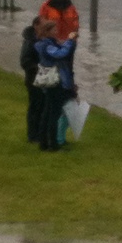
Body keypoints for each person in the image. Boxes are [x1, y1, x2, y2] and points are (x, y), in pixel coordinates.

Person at [31, 18, 75, 152]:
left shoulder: (43, 44)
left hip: (48, 81)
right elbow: (61, 54)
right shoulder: (47, 45)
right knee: (53, 114)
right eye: (54, 29)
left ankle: (43, 143)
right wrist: (70, 41)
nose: (56, 31)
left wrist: (64, 43)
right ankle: (53, 145)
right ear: (47, 31)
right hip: (55, 81)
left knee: (47, 112)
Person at [19, 16, 43, 143]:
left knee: (41, 106)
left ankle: (39, 133)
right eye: (42, 25)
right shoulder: (29, 41)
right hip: (33, 79)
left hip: (42, 79)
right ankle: (32, 135)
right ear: (36, 25)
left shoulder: (40, 39)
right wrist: (38, 68)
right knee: (35, 107)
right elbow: (24, 61)